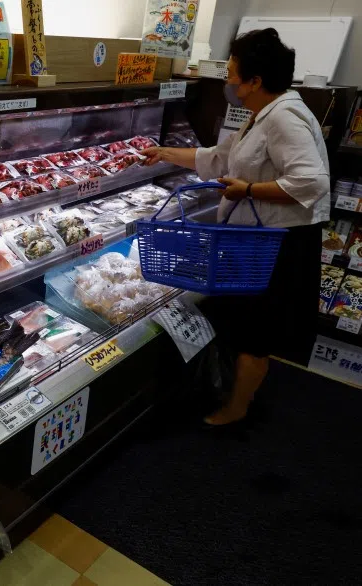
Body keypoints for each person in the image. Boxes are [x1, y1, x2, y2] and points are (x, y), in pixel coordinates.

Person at [142, 28, 330, 426]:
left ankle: (236, 409)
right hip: (259, 241)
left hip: (280, 244)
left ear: (255, 81)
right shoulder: (264, 115)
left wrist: (248, 189)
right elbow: (216, 157)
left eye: (231, 72)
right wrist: (162, 153)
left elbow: (311, 183)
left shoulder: (285, 119)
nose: (227, 80)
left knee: (256, 332)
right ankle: (227, 389)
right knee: (245, 323)